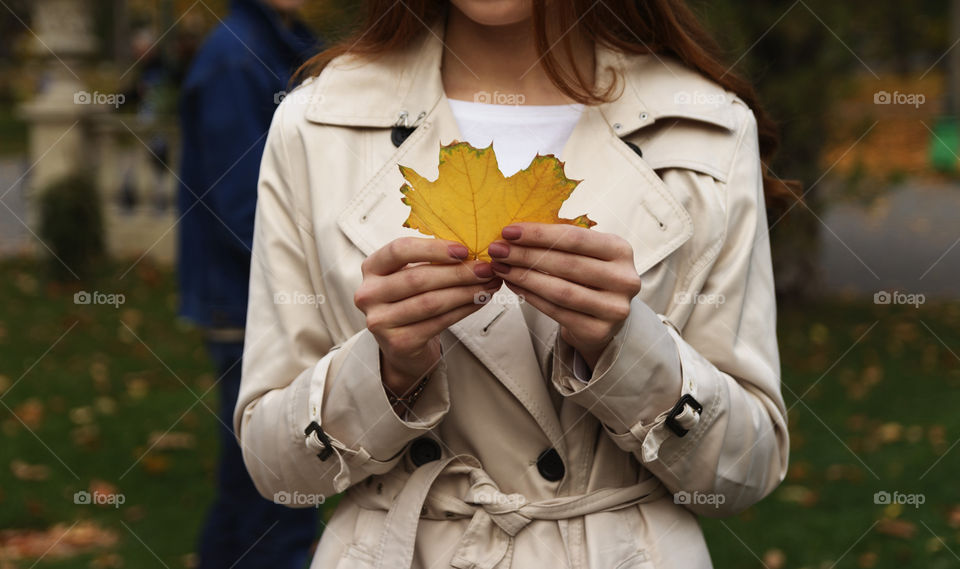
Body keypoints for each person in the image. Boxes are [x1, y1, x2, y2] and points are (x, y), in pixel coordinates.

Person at [236, 1, 793, 567]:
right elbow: (276, 471)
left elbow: (742, 473)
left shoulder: (707, 127)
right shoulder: (317, 123)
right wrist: (384, 374)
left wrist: (629, 356)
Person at [176, 1, 318, 567]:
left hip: (268, 300)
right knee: (281, 492)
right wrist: (320, 281)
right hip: (250, 306)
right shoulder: (235, 57)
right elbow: (243, 205)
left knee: (248, 493)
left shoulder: (286, 43)